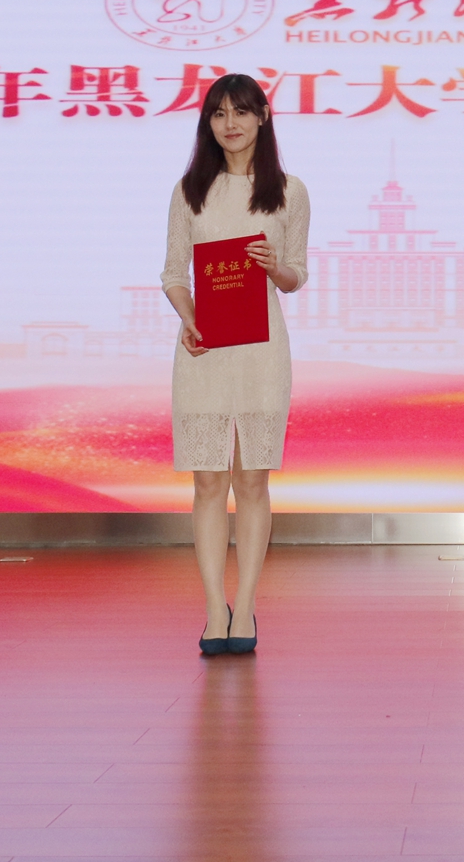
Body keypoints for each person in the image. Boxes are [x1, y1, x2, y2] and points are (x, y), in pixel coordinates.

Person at [161, 74, 310, 656]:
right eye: (219, 113)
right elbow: (173, 272)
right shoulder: (190, 191)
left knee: (252, 480)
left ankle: (244, 605)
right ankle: (212, 609)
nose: (231, 124)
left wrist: (274, 267)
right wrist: (189, 317)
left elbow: (295, 276)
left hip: (261, 353)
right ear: (209, 123)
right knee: (207, 481)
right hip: (204, 349)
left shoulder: (289, 191)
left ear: (263, 117)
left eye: (241, 112)